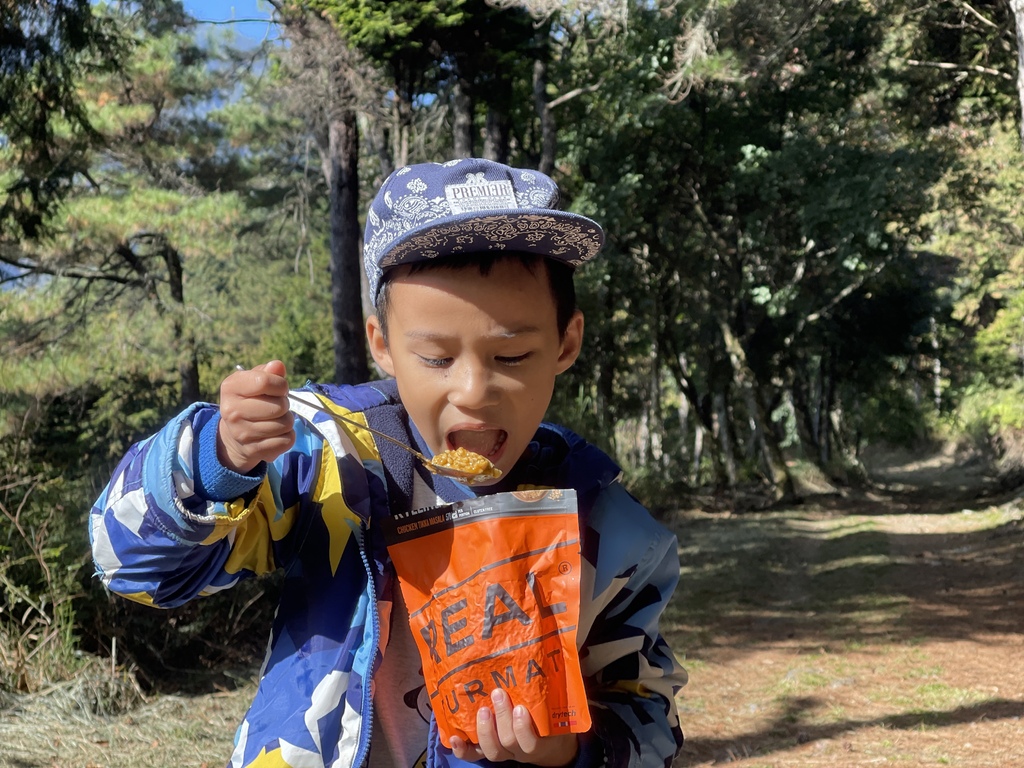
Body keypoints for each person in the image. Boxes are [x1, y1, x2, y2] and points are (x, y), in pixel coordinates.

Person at [89, 158, 687, 768]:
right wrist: (217, 460)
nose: (474, 390)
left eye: (512, 355)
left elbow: (649, 717)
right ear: (382, 345)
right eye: (434, 357)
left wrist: (570, 751)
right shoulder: (325, 461)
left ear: (566, 344)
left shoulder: (606, 530)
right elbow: (129, 566)